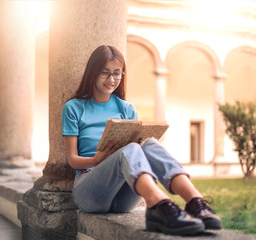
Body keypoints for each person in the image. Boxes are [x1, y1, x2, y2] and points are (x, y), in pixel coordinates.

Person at [61, 45, 222, 236]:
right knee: (129, 150)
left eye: (117, 73)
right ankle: (161, 206)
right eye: (105, 73)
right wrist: (98, 158)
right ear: (92, 73)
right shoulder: (74, 107)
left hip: (123, 197)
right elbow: (72, 159)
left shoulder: (127, 109)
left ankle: (197, 203)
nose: (111, 80)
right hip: (89, 191)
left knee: (149, 144)